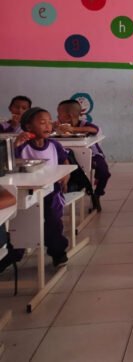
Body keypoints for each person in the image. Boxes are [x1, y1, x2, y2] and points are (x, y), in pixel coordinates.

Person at [14, 107, 71, 268]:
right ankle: (16, 251)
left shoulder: (54, 145)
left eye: (49, 122)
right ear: (28, 127)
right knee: (21, 221)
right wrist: (16, 144)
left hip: (52, 191)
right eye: (42, 122)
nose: (47, 126)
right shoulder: (23, 146)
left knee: (53, 220)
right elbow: (10, 162)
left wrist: (65, 177)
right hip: (26, 191)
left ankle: (58, 252)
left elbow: (65, 162)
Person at [55, 99, 111, 212]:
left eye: (59, 114)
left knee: (104, 172)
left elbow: (94, 129)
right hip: (69, 155)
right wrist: (54, 127)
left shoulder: (84, 124)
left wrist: (73, 129)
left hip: (93, 154)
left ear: (68, 116)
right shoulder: (60, 126)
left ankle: (97, 194)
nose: (57, 117)